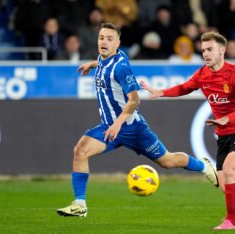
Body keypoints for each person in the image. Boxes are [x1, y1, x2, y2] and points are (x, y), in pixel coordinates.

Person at [56, 23, 218, 217]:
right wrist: (93, 64)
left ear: (118, 43)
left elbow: (135, 100)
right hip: (109, 128)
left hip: (133, 128)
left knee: (167, 161)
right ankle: (79, 204)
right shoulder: (106, 57)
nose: (104, 42)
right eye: (101, 38)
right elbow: (104, 62)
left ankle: (204, 166)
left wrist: (117, 123)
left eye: (109, 39)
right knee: (80, 150)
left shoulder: (121, 68)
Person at [140, 31, 235, 230]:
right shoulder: (202, 74)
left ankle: (231, 221)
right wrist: (162, 92)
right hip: (224, 134)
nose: (205, 54)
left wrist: (226, 119)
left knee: (230, 171)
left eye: (210, 49)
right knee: (227, 185)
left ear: (222, 50)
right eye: (203, 50)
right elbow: (185, 87)